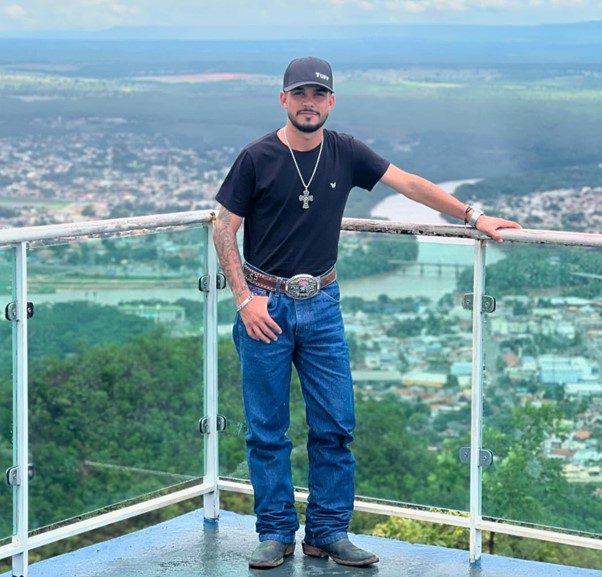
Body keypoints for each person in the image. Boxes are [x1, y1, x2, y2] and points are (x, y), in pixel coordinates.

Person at [213, 56, 521, 570]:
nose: (309, 103)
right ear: (283, 99)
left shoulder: (346, 152)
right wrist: (244, 300)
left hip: (323, 305)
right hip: (265, 304)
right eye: (300, 94)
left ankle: (328, 533)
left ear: (331, 102)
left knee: (335, 423)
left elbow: (410, 184)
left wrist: (474, 215)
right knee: (267, 428)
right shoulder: (257, 157)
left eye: (319, 94)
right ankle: (275, 533)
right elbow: (225, 229)